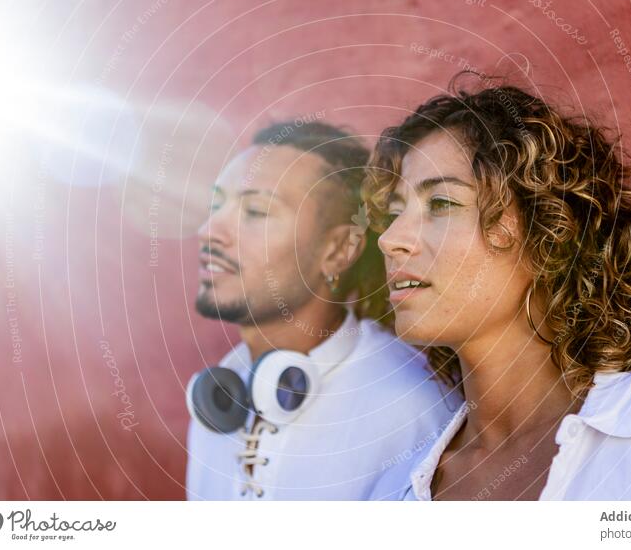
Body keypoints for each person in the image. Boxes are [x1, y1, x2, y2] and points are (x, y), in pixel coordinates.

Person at [363, 73, 631, 501]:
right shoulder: (393, 495)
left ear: (549, 232)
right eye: (394, 213)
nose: (390, 238)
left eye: (441, 203)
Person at [185, 120, 460, 500]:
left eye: (256, 212)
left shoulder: (410, 411)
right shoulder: (218, 396)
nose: (209, 228)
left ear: (338, 250)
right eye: (217, 204)